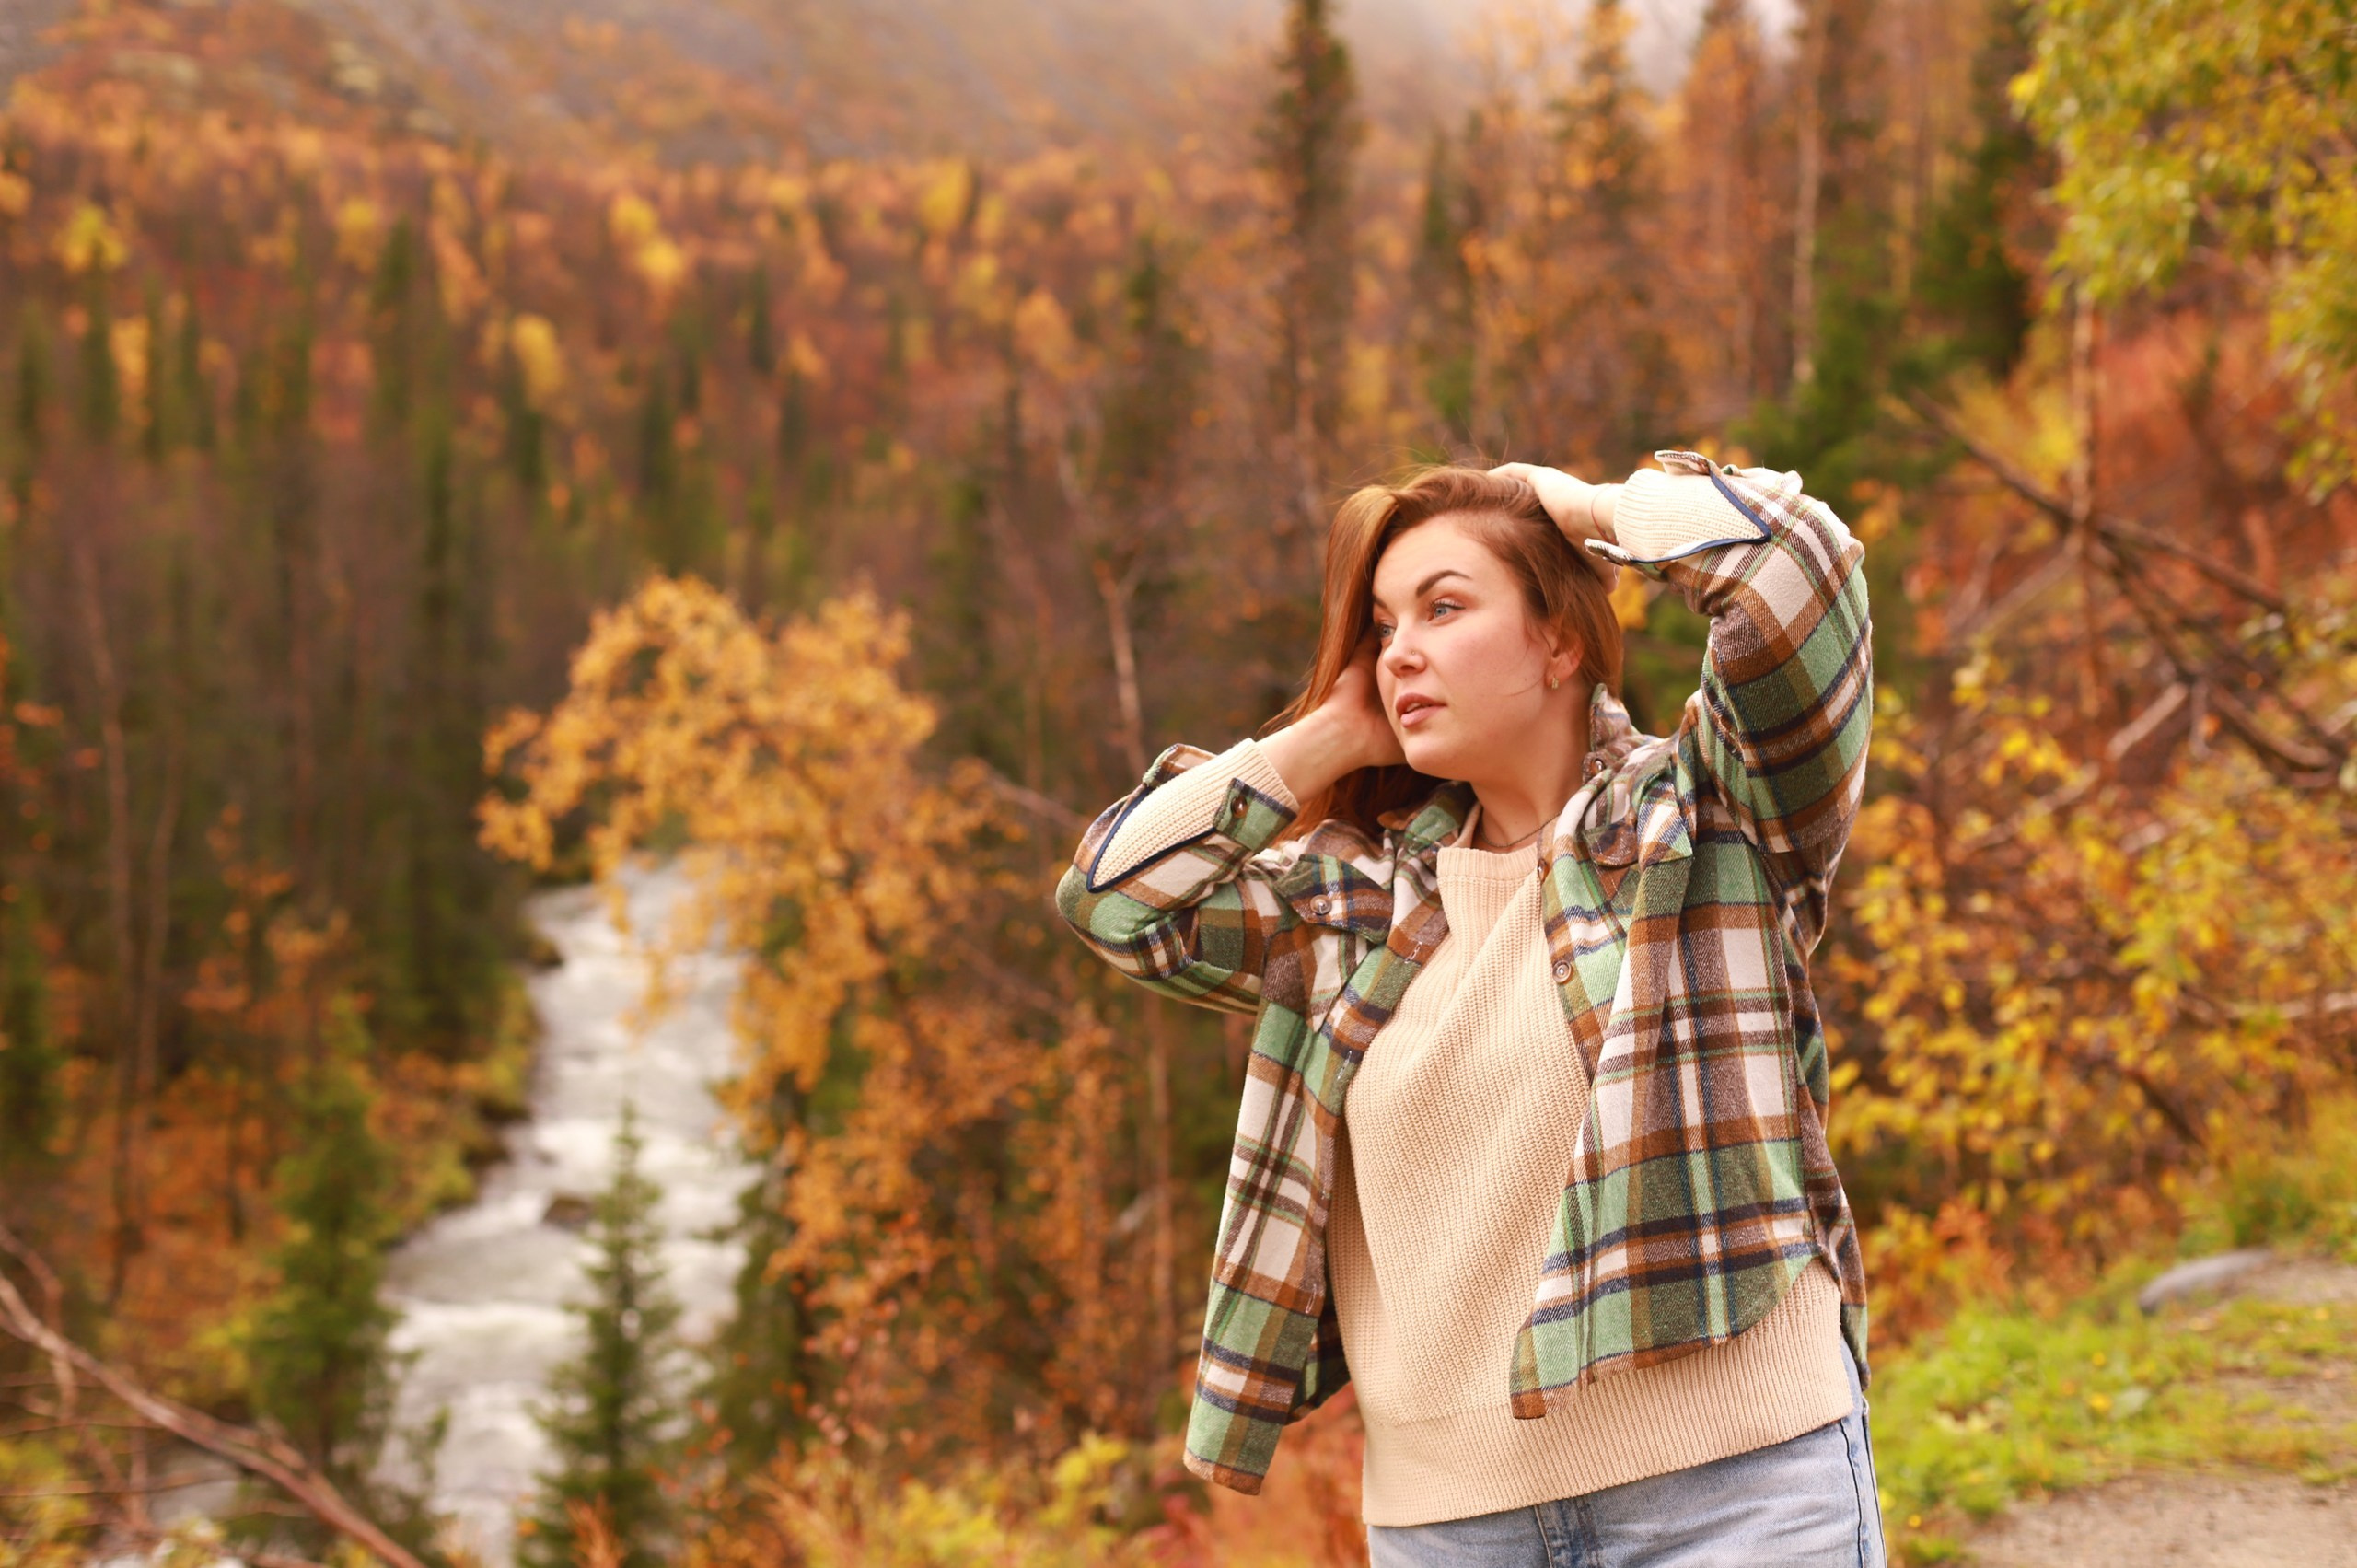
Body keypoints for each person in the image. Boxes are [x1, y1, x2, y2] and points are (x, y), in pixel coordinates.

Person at [1055, 452, 1883, 1567]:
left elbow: (1799, 559)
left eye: (1444, 608)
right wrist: (1331, 733)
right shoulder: (1348, 906)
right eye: (1382, 625)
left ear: (1560, 641)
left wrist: (1582, 507)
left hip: (1732, 1490)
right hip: (1450, 1529)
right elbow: (1113, 898)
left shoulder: (1701, 815)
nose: (1400, 649)